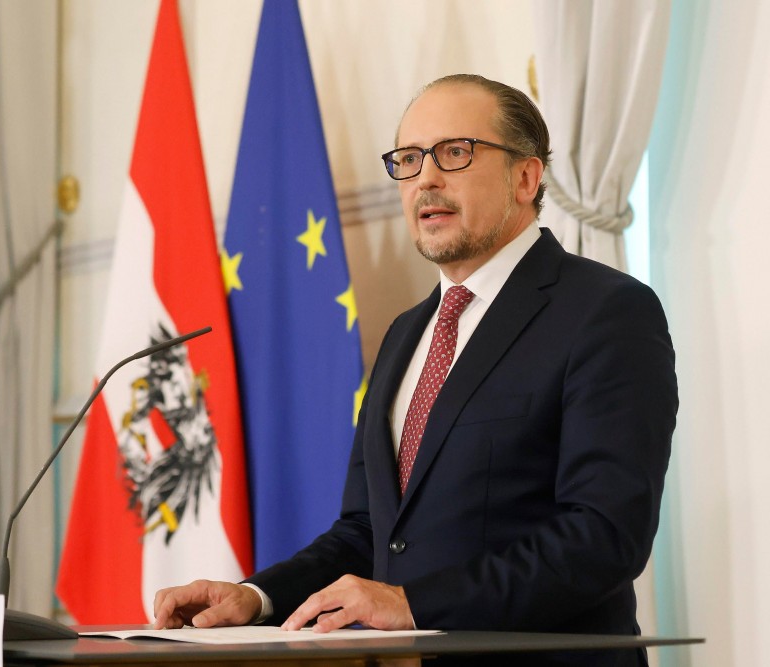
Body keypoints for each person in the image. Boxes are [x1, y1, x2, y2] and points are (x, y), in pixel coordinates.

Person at [152, 74, 677, 667]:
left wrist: (414, 603)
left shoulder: (606, 311)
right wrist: (256, 596)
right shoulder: (407, 332)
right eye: (408, 159)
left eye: (455, 153)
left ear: (526, 178)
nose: (425, 178)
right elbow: (366, 532)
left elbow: (605, 536)